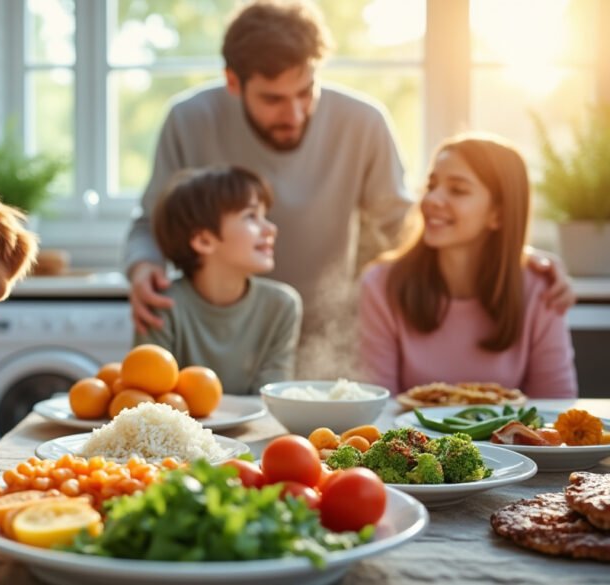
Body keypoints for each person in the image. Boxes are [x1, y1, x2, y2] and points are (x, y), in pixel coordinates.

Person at [123, 0, 575, 378]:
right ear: (233, 82)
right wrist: (143, 267)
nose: (296, 113)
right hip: (226, 328)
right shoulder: (188, 119)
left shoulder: (363, 122)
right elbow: (152, 221)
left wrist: (514, 252)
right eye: (274, 100)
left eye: (305, 91)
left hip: (336, 334)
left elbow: (406, 226)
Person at [359, 134, 578, 398]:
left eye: (458, 190)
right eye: (432, 185)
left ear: (498, 213)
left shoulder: (542, 288)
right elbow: (377, 409)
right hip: (412, 440)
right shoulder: (382, 285)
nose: (431, 200)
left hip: (504, 442)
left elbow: (555, 408)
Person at [134, 166, 301, 393]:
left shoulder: (282, 306)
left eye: (265, 216)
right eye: (251, 216)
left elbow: (271, 400)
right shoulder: (161, 306)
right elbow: (148, 400)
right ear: (204, 240)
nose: (271, 228)